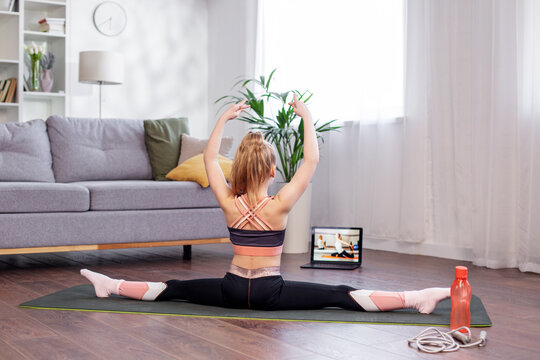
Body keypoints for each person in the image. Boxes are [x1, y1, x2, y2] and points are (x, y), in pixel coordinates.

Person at [81, 95, 450, 314]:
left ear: (238, 167)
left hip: (231, 288)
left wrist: (224, 119)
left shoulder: (229, 201)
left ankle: (111, 285)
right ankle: (416, 298)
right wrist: (306, 117)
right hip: (270, 292)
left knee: (176, 285)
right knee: (338, 295)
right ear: (272, 169)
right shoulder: (280, 203)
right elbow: (311, 162)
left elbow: (210, 160)